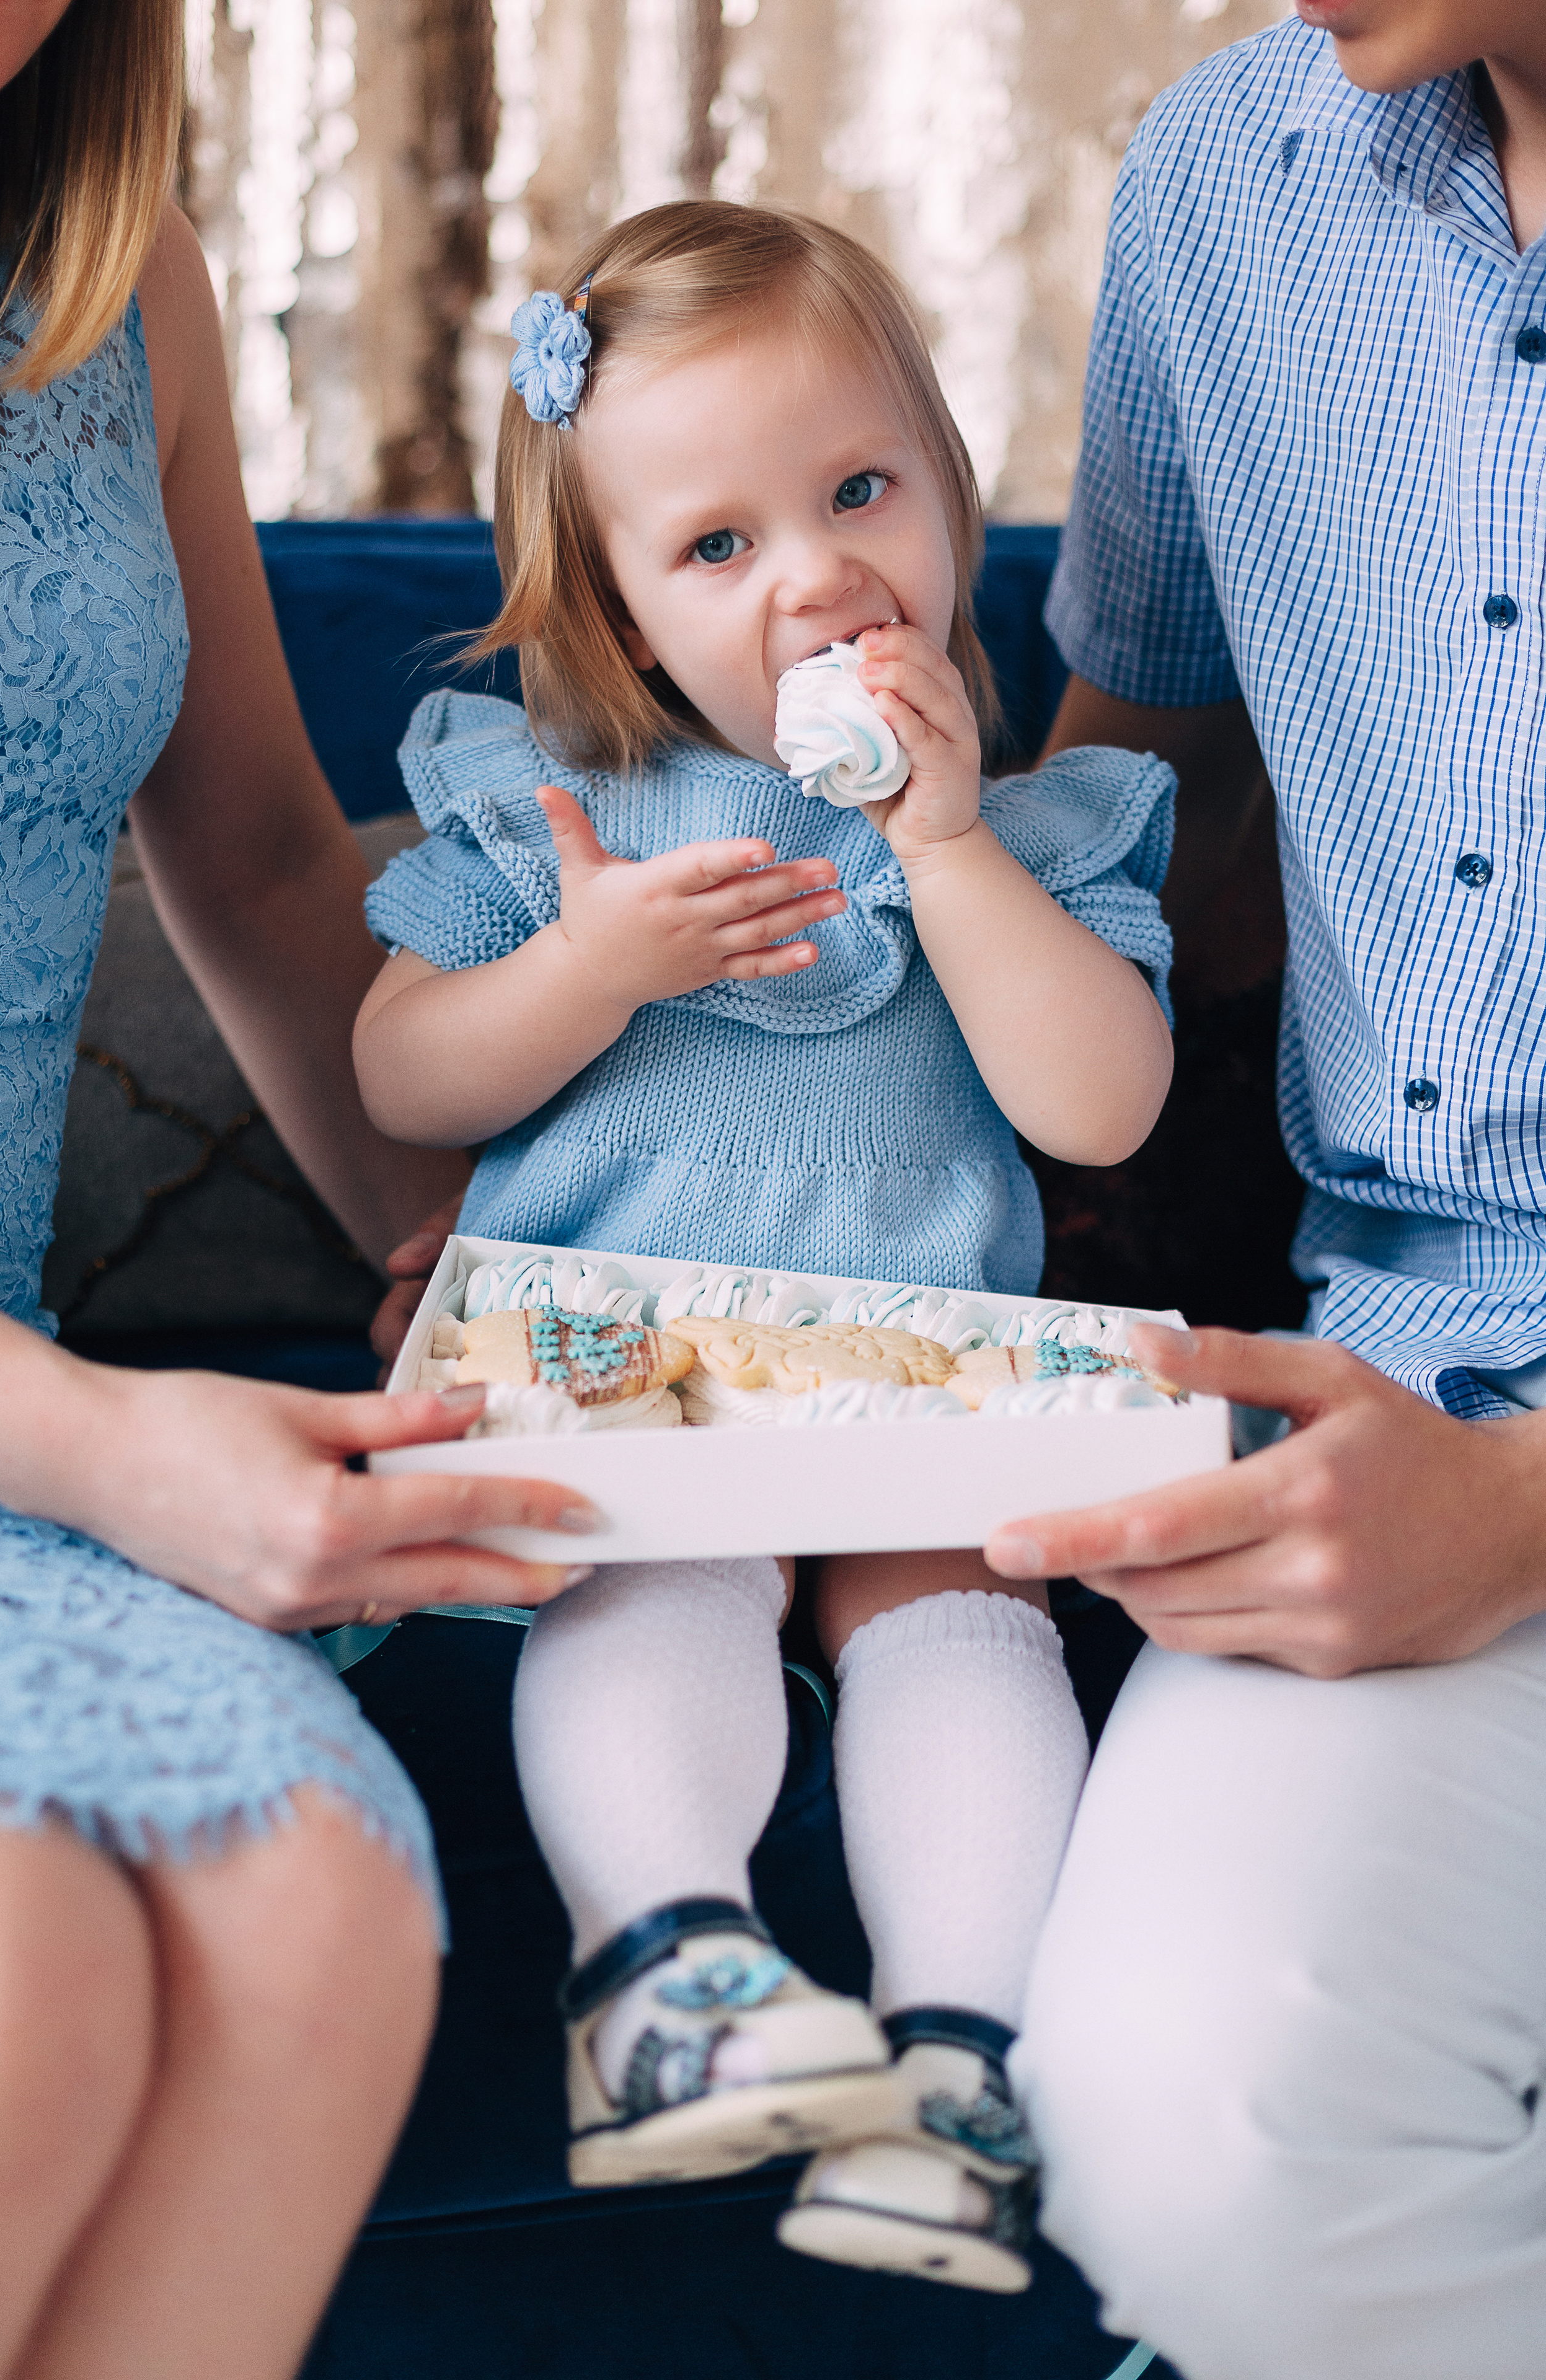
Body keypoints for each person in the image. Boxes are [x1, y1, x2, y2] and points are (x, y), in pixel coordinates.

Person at [353, 198, 1175, 2294]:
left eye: (862, 491)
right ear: (627, 623)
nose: (816, 575)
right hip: (628, 1364)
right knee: (664, 1570)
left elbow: (1101, 1107)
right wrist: (580, 974)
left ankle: (959, 2065)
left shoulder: (1028, 825)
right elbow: (402, 1076)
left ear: (952, 496)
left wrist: (954, 850)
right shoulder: (555, 815)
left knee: (963, 1615)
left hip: (920, 1361)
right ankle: (668, 1968)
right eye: (718, 546)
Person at [0, 6, 597, 2374]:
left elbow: (249, 854)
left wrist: (505, 1269)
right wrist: (112, 1448)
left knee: (311, 1903)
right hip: (31, 1430)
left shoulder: (110, 278)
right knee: (11, 1996)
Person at [976, 6, 1546, 2375]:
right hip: (1410, 1379)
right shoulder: (1232, 182)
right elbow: (1148, 804)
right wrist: (757, 1226)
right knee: (1186, 2146)